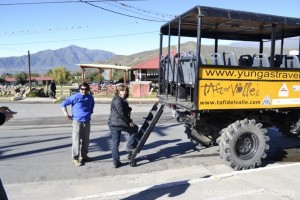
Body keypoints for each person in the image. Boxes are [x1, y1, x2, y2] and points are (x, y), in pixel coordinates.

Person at [61, 82, 95, 166]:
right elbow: (63, 104)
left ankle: (84, 156)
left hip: (86, 121)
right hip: (77, 122)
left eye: (86, 89)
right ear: (79, 89)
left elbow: (92, 106)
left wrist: (89, 113)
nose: (84, 91)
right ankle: (75, 158)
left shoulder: (90, 97)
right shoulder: (75, 97)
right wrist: (66, 114)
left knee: (86, 140)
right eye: (82, 89)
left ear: (88, 90)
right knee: (76, 140)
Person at [108, 84, 138, 168]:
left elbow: (121, 109)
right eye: (122, 90)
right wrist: (130, 121)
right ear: (118, 91)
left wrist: (128, 109)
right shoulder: (118, 100)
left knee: (115, 143)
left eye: (125, 90)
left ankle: (116, 163)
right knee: (134, 129)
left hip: (113, 123)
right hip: (118, 123)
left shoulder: (119, 98)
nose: (124, 92)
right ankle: (129, 146)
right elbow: (121, 113)